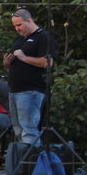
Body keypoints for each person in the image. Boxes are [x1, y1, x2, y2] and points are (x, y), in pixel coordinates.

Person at [4, 9, 52, 147]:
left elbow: (47, 63)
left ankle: (32, 163)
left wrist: (24, 58)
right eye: (15, 26)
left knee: (29, 128)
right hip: (14, 89)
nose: (17, 29)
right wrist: (7, 62)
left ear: (29, 20)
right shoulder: (20, 38)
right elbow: (10, 62)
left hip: (31, 90)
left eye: (19, 25)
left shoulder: (42, 37)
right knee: (18, 128)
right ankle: (23, 160)